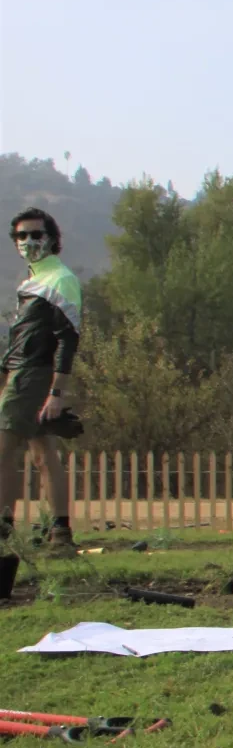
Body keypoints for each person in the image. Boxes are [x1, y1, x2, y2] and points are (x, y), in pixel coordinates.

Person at [0, 209, 85, 554]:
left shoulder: (59, 279)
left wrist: (57, 391)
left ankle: (3, 530)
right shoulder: (33, 281)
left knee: (3, 451)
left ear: (52, 238)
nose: (29, 241)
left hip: (33, 374)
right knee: (42, 454)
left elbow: (68, 337)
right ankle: (60, 534)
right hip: (20, 371)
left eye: (37, 234)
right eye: (22, 236)